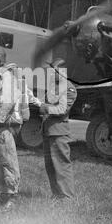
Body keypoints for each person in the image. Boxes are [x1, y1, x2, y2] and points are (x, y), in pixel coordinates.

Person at [0, 46, 23, 210]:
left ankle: (12, 195)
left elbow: (8, 101)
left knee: (8, 160)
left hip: (4, 125)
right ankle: (3, 191)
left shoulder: (7, 75)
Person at [39, 58, 77, 200]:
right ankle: (56, 194)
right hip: (48, 130)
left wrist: (44, 108)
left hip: (59, 132)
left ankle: (67, 197)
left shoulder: (69, 88)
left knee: (61, 165)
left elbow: (62, 109)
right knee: (50, 165)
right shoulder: (54, 87)